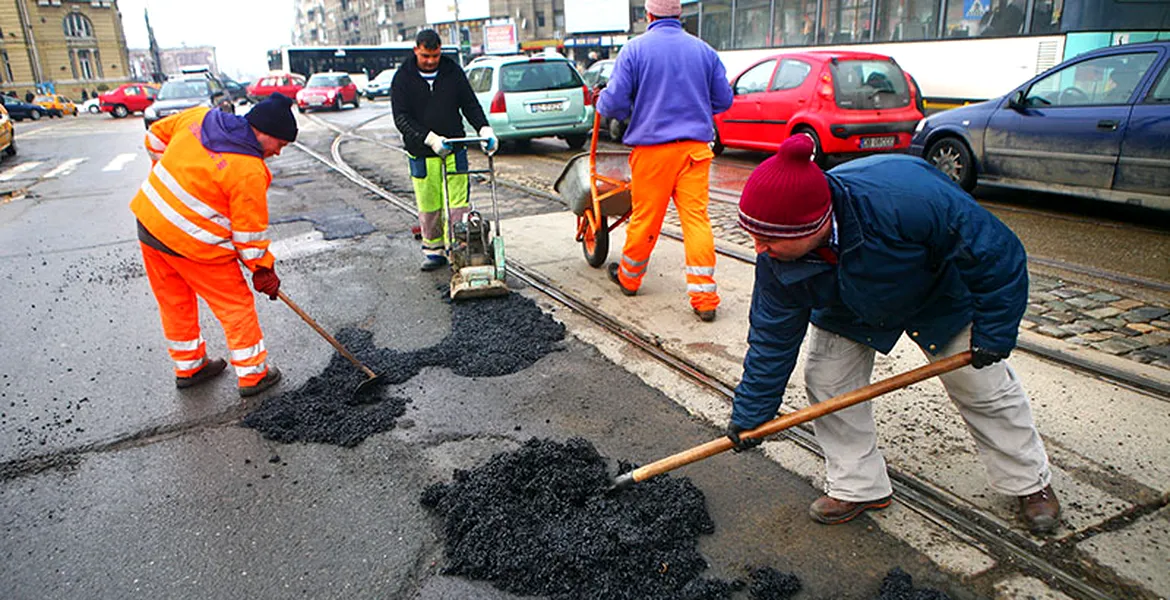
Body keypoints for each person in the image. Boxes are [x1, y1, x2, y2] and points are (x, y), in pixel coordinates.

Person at [726, 135, 1061, 535]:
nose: (758, 248)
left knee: (981, 385)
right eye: (754, 235)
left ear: (814, 225)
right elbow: (771, 338)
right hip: (850, 302)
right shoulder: (777, 259)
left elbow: (997, 254)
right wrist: (752, 413)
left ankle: (1030, 483)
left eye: (769, 238)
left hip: (939, 292)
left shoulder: (908, 197)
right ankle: (858, 485)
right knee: (828, 381)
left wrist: (994, 330)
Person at [130, 93, 298, 397]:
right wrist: (262, 271)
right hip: (194, 244)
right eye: (280, 145)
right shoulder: (248, 170)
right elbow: (248, 236)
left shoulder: (199, 118)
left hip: (150, 224)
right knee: (235, 304)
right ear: (265, 133)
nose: (277, 153)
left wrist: (168, 177)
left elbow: (154, 137)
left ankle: (190, 366)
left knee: (174, 300)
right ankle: (253, 374)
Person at [596, 0, 733, 322]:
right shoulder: (704, 51)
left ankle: (629, 279)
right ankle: (705, 298)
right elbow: (724, 100)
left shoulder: (634, 50)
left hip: (653, 152)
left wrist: (609, 100)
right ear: (680, 14)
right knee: (696, 221)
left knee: (646, 218)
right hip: (695, 150)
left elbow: (613, 104)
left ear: (648, 15)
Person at [391, 29, 496, 272]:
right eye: (426, 56)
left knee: (458, 204)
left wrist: (483, 129)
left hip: (454, 147)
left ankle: (459, 247)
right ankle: (434, 250)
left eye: (435, 56)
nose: (430, 61)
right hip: (422, 151)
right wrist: (429, 138)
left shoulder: (452, 72)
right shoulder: (403, 77)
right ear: (416, 49)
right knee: (429, 204)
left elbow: (469, 103)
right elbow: (401, 118)